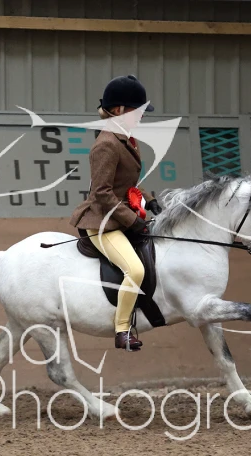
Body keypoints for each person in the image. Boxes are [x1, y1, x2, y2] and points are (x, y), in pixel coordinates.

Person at [69, 75, 162, 352]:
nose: (142, 116)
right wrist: (133, 221)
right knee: (135, 269)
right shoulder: (106, 144)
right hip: (102, 221)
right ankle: (122, 330)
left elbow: (127, 183)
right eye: (138, 110)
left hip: (117, 214)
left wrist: (149, 200)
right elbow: (102, 192)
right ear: (119, 110)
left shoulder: (126, 140)